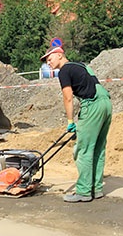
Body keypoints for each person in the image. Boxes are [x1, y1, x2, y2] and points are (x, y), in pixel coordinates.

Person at [42, 44, 112, 202]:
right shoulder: (81, 65)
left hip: (92, 105)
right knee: (98, 148)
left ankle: (84, 191)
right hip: (106, 103)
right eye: (46, 61)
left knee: (83, 150)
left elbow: (68, 97)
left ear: (60, 55)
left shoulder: (65, 70)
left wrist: (70, 121)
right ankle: (96, 188)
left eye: (50, 58)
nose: (48, 63)